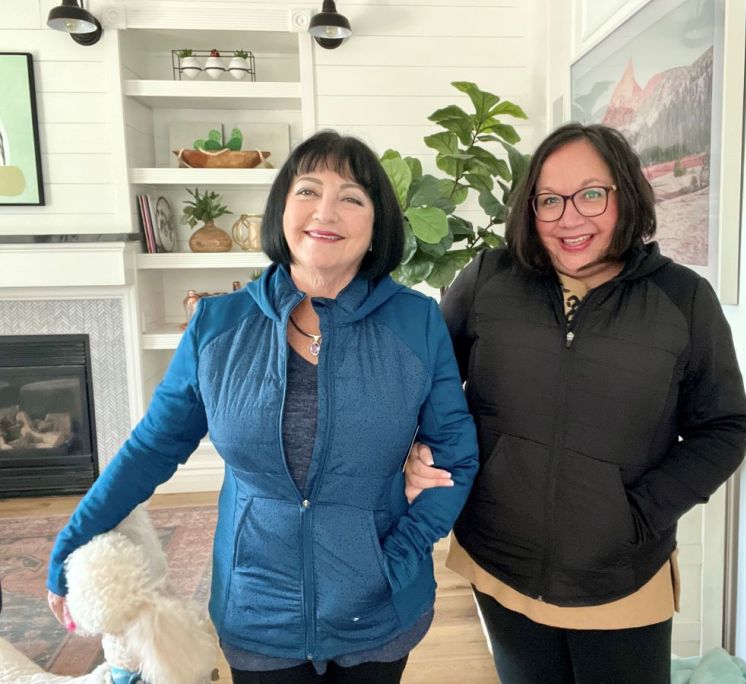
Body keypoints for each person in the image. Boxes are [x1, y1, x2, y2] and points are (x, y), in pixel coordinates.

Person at [46, 130, 479, 684]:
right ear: (281, 210)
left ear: (376, 227)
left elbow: (456, 456)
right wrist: (70, 542)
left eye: (352, 197)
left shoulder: (415, 323)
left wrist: (398, 556)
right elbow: (151, 448)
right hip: (256, 609)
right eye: (308, 190)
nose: (326, 210)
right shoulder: (216, 326)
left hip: (380, 608)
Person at [405, 122, 746, 684]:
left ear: (626, 194)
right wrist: (419, 452)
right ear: (531, 208)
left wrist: (638, 517)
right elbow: (425, 388)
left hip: (620, 573)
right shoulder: (489, 280)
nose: (569, 218)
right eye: (550, 200)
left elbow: (724, 428)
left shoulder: (682, 299)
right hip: (501, 559)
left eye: (592, 194)